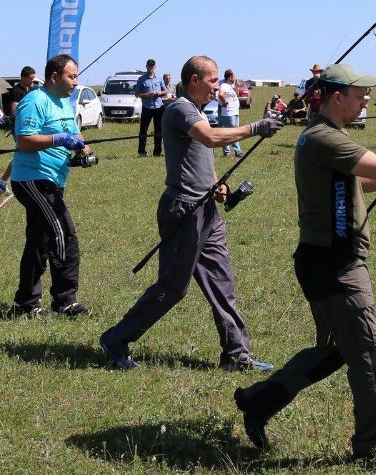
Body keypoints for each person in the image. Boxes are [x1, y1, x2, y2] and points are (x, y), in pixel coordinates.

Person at [233, 63, 376, 465]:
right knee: (368, 352)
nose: (366, 100)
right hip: (336, 264)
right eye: (360, 95)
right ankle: (373, 444)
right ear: (338, 98)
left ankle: (257, 401)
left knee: (336, 350)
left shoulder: (324, 136)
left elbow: (361, 180)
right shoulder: (323, 138)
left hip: (322, 259)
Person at [100, 55, 284, 371]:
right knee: (172, 289)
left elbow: (200, 155)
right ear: (195, 80)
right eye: (213, 80)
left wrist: (216, 185)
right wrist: (255, 127)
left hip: (207, 210)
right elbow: (210, 138)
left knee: (222, 284)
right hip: (184, 210)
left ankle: (236, 355)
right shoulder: (180, 109)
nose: (218, 86)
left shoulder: (197, 112)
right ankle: (116, 339)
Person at [8, 54, 92, 318]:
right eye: (72, 76)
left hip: (54, 179)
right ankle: (65, 300)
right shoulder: (34, 101)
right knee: (63, 233)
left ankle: (25, 304)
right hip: (33, 179)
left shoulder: (64, 103)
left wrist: (82, 147)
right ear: (54, 77)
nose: (76, 82)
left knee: (39, 241)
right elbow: (24, 141)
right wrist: (58, 139)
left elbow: (73, 133)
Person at [0, 66, 37, 193]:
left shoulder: (33, 90)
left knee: (25, 153)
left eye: (33, 78)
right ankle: (3, 181)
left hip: (32, 126)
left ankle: (3, 181)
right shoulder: (16, 91)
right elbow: (14, 111)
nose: (32, 81)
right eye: (30, 78)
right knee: (23, 154)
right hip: (20, 127)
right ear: (23, 77)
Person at [136, 58, 167, 157]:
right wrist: (146, 95)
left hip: (159, 107)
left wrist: (159, 93)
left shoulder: (159, 79)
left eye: (152, 66)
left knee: (159, 130)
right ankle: (141, 152)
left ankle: (157, 151)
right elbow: (137, 94)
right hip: (147, 108)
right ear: (146, 67)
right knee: (143, 130)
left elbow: (165, 91)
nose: (151, 68)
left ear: (155, 67)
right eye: (149, 66)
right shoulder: (141, 79)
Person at [217, 69, 243, 157]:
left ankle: (228, 151)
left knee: (233, 132)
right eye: (234, 76)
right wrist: (225, 103)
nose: (235, 78)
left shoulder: (229, 86)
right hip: (229, 113)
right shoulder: (224, 85)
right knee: (231, 133)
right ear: (230, 77)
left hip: (234, 112)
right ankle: (237, 151)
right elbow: (221, 95)